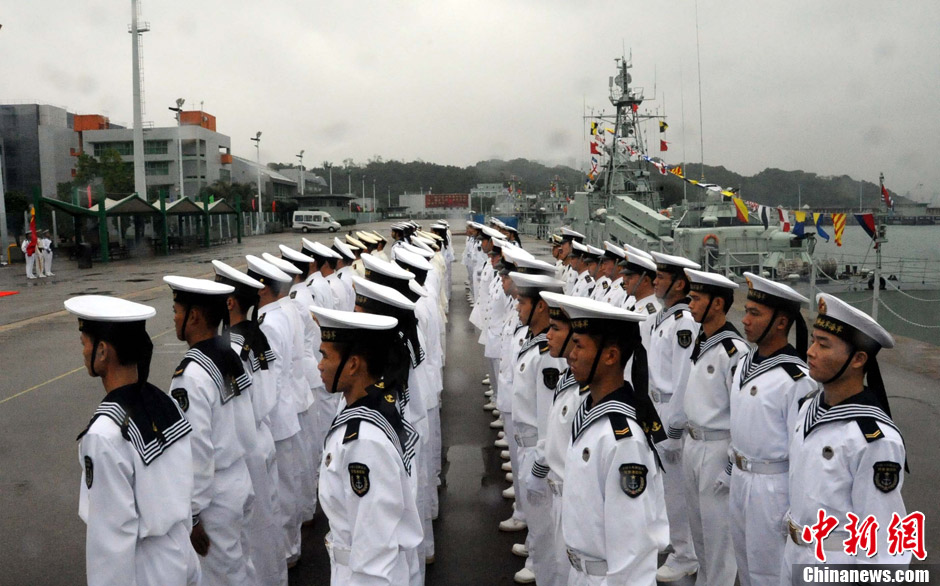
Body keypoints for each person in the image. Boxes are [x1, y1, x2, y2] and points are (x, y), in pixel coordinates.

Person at [66, 295, 201, 586]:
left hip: (146, 567)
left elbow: (111, 541)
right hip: (179, 553)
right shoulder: (165, 402)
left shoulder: (104, 434)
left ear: (102, 351)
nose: (83, 351)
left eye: (85, 343)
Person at [781, 293, 911, 579]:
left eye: (823, 344)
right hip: (794, 553)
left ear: (858, 359)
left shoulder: (875, 439)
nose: (810, 351)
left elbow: (886, 540)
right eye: (813, 340)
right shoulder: (808, 409)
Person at [556, 295, 669, 586]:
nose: (571, 354)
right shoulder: (592, 412)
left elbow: (633, 547)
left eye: (579, 345)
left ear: (610, 356)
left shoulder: (623, 439)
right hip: (580, 572)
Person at [314, 305, 423, 586]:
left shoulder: (363, 441)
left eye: (325, 355)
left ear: (352, 364)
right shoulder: (373, 406)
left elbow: (374, 549)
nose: (319, 364)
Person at [164, 275, 255, 585]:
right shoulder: (228, 353)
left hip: (214, 498)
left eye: (177, 310)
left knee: (221, 578)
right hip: (238, 478)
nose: (174, 317)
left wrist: (191, 516)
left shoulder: (190, 375)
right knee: (241, 568)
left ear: (194, 316)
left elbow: (196, 451)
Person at [729, 272, 816, 586]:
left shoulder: (796, 378)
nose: (746, 319)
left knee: (769, 569)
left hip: (772, 488)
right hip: (741, 479)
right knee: (744, 563)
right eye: (746, 310)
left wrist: (797, 507)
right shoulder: (744, 361)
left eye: (755, 313)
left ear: (781, 322)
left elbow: (803, 451)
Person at [212, 259, 289, 586]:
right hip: (263, 433)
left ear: (229, 302)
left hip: (246, 443)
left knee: (253, 533)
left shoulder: (231, 344)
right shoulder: (256, 333)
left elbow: (232, 405)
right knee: (268, 520)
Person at [681, 268, 749, 586]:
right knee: (700, 535)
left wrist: (732, 466)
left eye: (696, 298)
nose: (690, 303)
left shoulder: (733, 352)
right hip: (693, 444)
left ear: (717, 304)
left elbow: (742, 415)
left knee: (719, 539)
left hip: (717, 449)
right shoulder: (703, 340)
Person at [246, 254, 307, 568]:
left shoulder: (269, 323)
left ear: (261, 289)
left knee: (281, 489)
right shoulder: (286, 310)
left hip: (278, 416)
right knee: (290, 483)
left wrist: (263, 417)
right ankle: (291, 545)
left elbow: (273, 376)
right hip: (289, 409)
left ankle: (286, 551)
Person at [507, 271, 568, 585]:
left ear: (541, 307)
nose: (517, 307)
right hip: (526, 447)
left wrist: (541, 466)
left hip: (537, 452)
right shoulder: (535, 345)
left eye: (522, 301)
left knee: (546, 535)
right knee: (539, 527)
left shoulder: (547, 357)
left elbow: (549, 419)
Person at [647, 250, 702, 582]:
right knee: (666, 487)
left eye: (662, 277)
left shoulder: (683, 322)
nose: (655, 281)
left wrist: (675, 426)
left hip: (670, 410)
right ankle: (676, 543)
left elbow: (684, 376)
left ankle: (686, 554)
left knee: (677, 490)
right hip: (657, 406)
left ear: (680, 284)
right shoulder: (666, 316)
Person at [533, 290, 589, 586]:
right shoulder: (569, 377)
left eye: (556, 329)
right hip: (558, 495)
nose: (548, 335)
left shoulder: (588, 394)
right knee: (554, 569)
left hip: (575, 501)